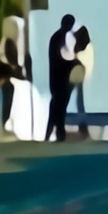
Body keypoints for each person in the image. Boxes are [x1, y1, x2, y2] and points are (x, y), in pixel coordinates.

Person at [44, 14, 81, 142]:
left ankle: (53, 133)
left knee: (57, 106)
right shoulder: (59, 38)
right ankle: (57, 133)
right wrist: (73, 63)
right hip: (59, 79)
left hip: (57, 78)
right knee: (58, 106)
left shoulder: (58, 37)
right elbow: (60, 59)